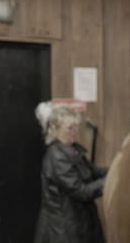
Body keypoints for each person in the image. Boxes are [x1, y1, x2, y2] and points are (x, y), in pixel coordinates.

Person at [34, 102, 107, 243]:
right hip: (63, 233)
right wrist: (108, 182)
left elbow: (93, 171)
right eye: (70, 128)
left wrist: (116, 169)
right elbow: (82, 191)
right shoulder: (57, 156)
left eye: (76, 127)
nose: (75, 131)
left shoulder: (72, 149)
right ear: (55, 129)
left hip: (75, 226)